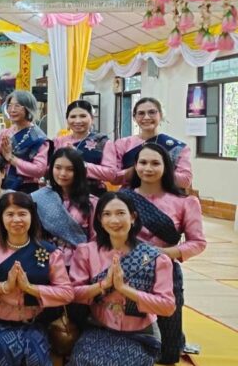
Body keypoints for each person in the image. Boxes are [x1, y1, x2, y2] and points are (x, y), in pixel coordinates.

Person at [120, 143, 205, 364]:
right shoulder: (122, 199)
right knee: (125, 335)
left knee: (167, 353)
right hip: (126, 272)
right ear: (135, 166)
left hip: (165, 273)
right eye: (143, 162)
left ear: (166, 167)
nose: (148, 168)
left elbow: (197, 243)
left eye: (155, 163)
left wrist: (161, 253)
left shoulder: (185, 202)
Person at [67, 192, 175, 366]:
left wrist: (125, 289)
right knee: (81, 361)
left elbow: (167, 306)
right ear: (100, 220)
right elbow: (73, 294)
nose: (114, 220)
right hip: (99, 328)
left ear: (133, 217)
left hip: (140, 335)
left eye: (120, 213)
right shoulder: (86, 251)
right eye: (107, 214)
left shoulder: (156, 258)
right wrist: (103, 285)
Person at [0, 192, 74, 366]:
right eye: (10, 214)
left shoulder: (49, 251)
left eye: (22, 214)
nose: (16, 220)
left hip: (34, 324)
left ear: (32, 216)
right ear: (1, 217)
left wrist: (30, 288)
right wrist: (4, 287)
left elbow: (66, 293)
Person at [103, 97, 192, 189]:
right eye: (141, 113)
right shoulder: (122, 144)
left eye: (152, 112)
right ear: (134, 117)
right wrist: (134, 171)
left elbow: (185, 181)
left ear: (161, 115)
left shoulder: (177, 147)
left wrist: (156, 171)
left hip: (165, 195)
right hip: (130, 194)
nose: (146, 117)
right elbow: (114, 177)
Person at [31, 148, 98, 266]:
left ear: (78, 171)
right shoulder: (38, 197)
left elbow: (95, 239)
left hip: (80, 262)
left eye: (70, 169)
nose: (62, 173)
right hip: (46, 259)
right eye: (58, 168)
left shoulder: (91, 202)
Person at [54, 100, 114, 196]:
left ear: (92, 118)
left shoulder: (102, 141)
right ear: (67, 119)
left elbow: (111, 173)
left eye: (83, 116)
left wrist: (81, 163)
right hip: (62, 193)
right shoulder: (58, 141)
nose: (77, 121)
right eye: (73, 117)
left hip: (92, 193)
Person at [0, 90, 49, 194]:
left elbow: (39, 170)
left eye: (17, 106)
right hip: (2, 185)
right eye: (9, 106)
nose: (12, 110)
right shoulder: (5, 133)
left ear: (29, 108)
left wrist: (11, 158)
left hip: (26, 189)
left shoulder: (38, 137)